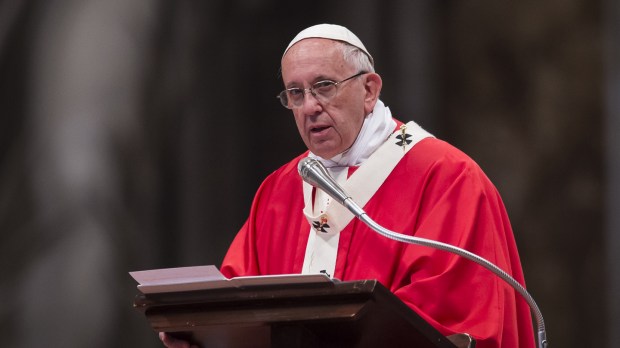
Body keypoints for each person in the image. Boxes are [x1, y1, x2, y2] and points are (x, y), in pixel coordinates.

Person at [161, 24, 535, 348]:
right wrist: (199, 332)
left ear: (369, 89)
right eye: (295, 93)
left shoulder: (446, 177)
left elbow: (453, 317)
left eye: (323, 86)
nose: (309, 107)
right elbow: (239, 300)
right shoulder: (279, 191)